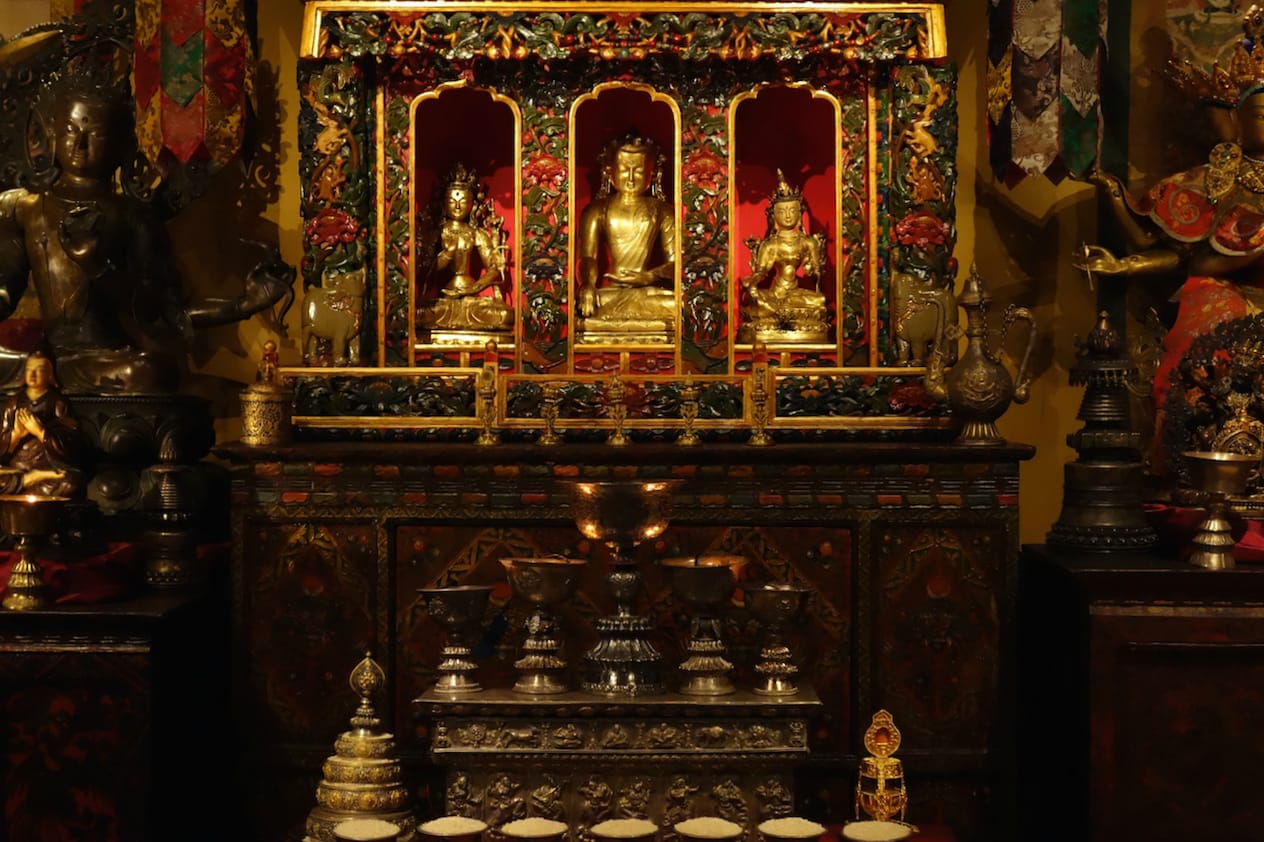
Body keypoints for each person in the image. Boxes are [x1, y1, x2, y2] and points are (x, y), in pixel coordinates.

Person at [0, 78, 292, 394]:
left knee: (151, 371)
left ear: (121, 144)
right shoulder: (21, 207)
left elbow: (161, 311)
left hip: (101, 360)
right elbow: (6, 286)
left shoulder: (133, 216)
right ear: (51, 133)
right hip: (39, 361)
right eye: (70, 130)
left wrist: (242, 306)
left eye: (94, 133)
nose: (80, 144)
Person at [1074, 60, 1264, 464]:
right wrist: (1125, 262)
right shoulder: (1216, 181)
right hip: (1223, 289)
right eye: (1262, 115)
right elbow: (1179, 253)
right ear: (1237, 122)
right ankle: (1188, 456)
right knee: (1203, 335)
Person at [575, 133, 676, 342]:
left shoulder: (663, 211)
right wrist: (587, 284)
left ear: (653, 173)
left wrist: (648, 277)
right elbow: (587, 257)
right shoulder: (595, 211)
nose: (630, 177)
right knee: (585, 305)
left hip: (648, 292)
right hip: (609, 293)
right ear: (609, 171)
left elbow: (675, 263)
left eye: (638, 170)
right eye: (624, 169)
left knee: (678, 305)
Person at [418, 164, 513, 334]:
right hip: (444, 300)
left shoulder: (477, 233)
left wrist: (474, 288)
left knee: (504, 314)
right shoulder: (437, 232)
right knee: (418, 314)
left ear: (472, 205)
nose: (457, 206)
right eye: (452, 202)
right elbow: (427, 270)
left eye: (463, 202)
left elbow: (494, 269)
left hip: (471, 298)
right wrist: (447, 254)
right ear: (443, 205)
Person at [738, 170, 829, 343]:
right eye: (782, 211)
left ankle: (777, 314)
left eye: (792, 210)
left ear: (800, 214)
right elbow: (762, 271)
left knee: (820, 301)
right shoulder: (771, 244)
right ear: (773, 216)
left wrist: (815, 269)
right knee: (756, 301)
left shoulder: (808, 243)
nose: (787, 215)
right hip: (776, 292)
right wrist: (752, 281)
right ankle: (773, 313)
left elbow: (815, 272)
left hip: (795, 294)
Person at [0, 351, 86, 497]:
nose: (32, 375)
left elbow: (71, 447)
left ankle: (29, 483)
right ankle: (28, 480)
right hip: (16, 470)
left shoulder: (58, 403)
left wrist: (40, 432)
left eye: (39, 370)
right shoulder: (12, 404)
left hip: (48, 469)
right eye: (29, 370)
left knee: (71, 481)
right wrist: (15, 435)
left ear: (50, 375)